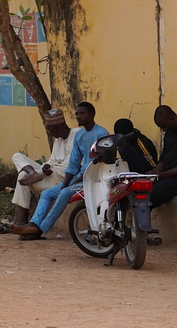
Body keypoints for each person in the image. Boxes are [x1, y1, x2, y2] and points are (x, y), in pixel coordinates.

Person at [6, 102, 107, 240]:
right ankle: (33, 224)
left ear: (92, 114)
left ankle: (39, 230)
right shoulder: (80, 135)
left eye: (82, 113)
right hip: (77, 177)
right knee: (47, 193)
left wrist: (70, 185)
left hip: (93, 177)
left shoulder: (101, 134)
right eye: (77, 114)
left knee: (64, 193)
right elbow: (74, 163)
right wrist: (66, 183)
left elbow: (96, 164)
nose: (79, 117)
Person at [0, 109, 76, 230]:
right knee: (18, 158)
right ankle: (32, 173)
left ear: (54, 128)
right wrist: (46, 167)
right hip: (51, 173)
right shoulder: (58, 141)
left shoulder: (76, 135)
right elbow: (52, 161)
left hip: (64, 176)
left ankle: (22, 222)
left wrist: (48, 169)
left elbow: (71, 165)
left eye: (49, 129)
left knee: (23, 176)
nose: (49, 131)